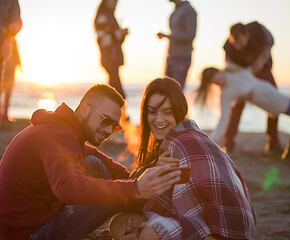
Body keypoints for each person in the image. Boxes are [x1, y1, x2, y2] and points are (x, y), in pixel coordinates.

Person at [0, 84, 182, 239]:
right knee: (118, 194)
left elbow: (100, 159)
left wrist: (134, 179)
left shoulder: (65, 130)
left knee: (96, 164)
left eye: (116, 126)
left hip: (30, 217)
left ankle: (147, 214)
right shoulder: (58, 137)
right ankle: (152, 220)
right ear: (85, 109)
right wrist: (136, 188)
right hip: (28, 233)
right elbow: (67, 186)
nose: (110, 130)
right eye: (106, 121)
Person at [110, 78, 257, 240]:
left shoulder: (180, 142)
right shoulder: (182, 139)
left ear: (179, 111)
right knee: (118, 223)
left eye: (167, 112)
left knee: (149, 234)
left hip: (220, 229)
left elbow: (157, 204)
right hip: (214, 223)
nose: (158, 119)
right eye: (152, 111)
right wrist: (153, 168)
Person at [195, 65, 290, 161]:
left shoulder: (235, 71)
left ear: (220, 71)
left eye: (219, 78)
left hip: (277, 96)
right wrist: (212, 140)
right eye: (217, 82)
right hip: (275, 102)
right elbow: (223, 120)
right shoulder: (227, 93)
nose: (221, 82)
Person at [223, 21, 281, 154]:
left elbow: (268, 46)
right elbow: (230, 70)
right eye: (235, 43)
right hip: (241, 72)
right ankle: (229, 143)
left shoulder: (259, 30)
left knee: (275, 99)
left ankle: (273, 141)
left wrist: (258, 64)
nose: (238, 46)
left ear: (247, 34)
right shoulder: (227, 47)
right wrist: (243, 85)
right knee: (238, 104)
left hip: (262, 67)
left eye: (241, 42)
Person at [157, 0, 197, 89]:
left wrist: (169, 36)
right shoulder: (176, 10)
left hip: (181, 57)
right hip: (171, 56)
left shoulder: (188, 10)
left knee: (175, 92)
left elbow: (190, 35)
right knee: (166, 90)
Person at [95, 0, 128, 99]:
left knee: (114, 90)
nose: (115, 3)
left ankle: (117, 113)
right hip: (109, 58)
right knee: (117, 93)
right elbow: (102, 40)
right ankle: (120, 114)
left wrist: (122, 36)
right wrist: (119, 34)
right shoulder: (103, 17)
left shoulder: (110, 16)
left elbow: (115, 41)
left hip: (113, 58)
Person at [0, 0, 22, 121]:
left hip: (2, 51)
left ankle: (4, 114)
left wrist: (7, 30)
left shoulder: (11, 1)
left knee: (7, 89)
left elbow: (17, 22)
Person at [1, 38, 21, 121]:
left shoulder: (12, 40)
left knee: (7, 92)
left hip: (10, 68)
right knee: (6, 92)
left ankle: (5, 114)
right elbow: (17, 55)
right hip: (7, 68)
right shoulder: (8, 39)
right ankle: (4, 115)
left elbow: (17, 54)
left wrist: (19, 64)